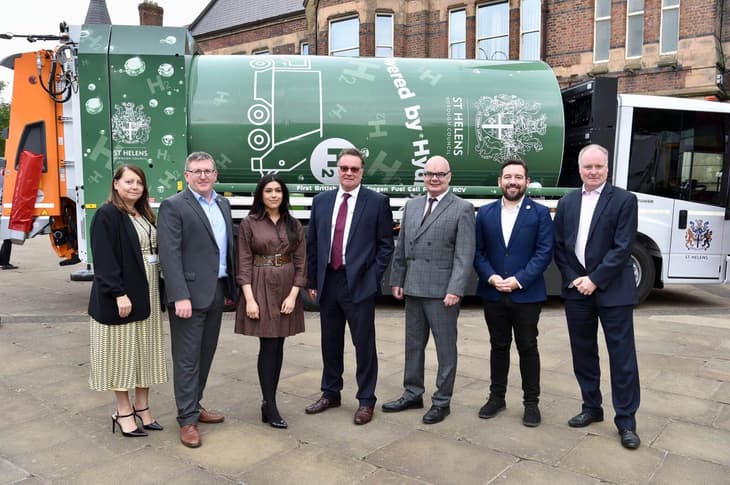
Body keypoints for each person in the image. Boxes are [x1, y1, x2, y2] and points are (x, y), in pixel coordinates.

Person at [553, 144, 641, 450]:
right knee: (583, 353)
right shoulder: (567, 202)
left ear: (607, 168)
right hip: (577, 291)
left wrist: (595, 279)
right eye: (588, 167)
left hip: (613, 291)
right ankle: (591, 407)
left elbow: (623, 247)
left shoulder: (624, 200)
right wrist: (574, 279)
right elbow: (560, 248)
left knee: (622, 358)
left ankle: (626, 421)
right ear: (579, 170)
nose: (593, 172)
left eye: (598, 167)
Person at [382, 155, 475, 424]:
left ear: (449, 176)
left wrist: (455, 289)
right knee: (413, 345)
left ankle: (442, 401)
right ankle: (412, 393)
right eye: (429, 174)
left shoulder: (463, 208)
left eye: (440, 174)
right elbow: (402, 247)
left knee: (445, 349)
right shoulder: (412, 205)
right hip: (413, 288)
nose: (434, 178)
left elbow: (464, 254)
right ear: (423, 176)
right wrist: (397, 280)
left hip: (442, 292)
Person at [305, 148, 394, 425]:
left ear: (362, 172)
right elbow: (313, 243)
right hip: (328, 282)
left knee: (363, 344)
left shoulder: (376, 202)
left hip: (358, 284)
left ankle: (366, 400)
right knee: (329, 341)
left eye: (354, 169)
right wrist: (311, 280)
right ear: (337, 170)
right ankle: (331, 392)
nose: (349, 173)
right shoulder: (321, 201)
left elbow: (385, 246)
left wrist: (371, 278)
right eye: (344, 168)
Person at [158, 152, 237, 448]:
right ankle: (187, 420)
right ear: (186, 175)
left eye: (208, 171)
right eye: (197, 171)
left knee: (206, 354)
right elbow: (169, 253)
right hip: (188, 297)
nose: (203, 176)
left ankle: (195, 404)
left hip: (216, 291)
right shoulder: (174, 206)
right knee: (188, 359)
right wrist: (179, 295)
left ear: (215, 174)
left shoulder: (223, 203)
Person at [87, 164, 168, 438]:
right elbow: (103, 259)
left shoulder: (144, 213)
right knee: (121, 355)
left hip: (148, 292)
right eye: (129, 181)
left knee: (146, 352)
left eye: (139, 183)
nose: (134, 187)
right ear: (116, 184)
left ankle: (143, 407)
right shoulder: (106, 214)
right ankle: (123, 411)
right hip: (123, 294)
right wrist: (118, 293)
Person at [473, 159, 553, 427]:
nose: (512, 181)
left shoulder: (540, 213)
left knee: (528, 347)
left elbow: (544, 253)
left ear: (527, 182)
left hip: (526, 294)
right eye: (508, 176)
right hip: (493, 292)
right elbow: (478, 251)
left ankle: (531, 403)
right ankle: (497, 398)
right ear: (499, 182)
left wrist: (519, 280)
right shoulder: (484, 214)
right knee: (498, 346)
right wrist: (491, 276)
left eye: (518, 177)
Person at [235, 174, 306, 429]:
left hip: (286, 286)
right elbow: (243, 261)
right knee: (268, 345)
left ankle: (269, 402)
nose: (274, 195)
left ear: (284, 195)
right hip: (259, 285)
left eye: (278, 190)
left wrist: (293, 295)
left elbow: (301, 262)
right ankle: (270, 403)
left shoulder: (294, 224)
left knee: (279, 345)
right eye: (268, 191)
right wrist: (250, 300)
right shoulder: (249, 223)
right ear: (260, 195)